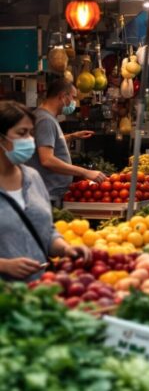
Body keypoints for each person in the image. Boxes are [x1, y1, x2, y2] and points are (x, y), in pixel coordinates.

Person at [0, 101, 89, 281]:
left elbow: (46, 231)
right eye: (22, 133)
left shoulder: (33, 177)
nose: (29, 140)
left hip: (39, 290)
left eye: (31, 133)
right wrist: (5, 265)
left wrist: (65, 248)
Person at [27, 79, 105, 205]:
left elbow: (45, 141)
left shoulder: (44, 117)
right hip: (47, 194)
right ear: (63, 96)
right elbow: (47, 160)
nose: (74, 102)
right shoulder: (45, 120)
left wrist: (72, 136)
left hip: (49, 193)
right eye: (73, 97)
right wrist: (85, 172)